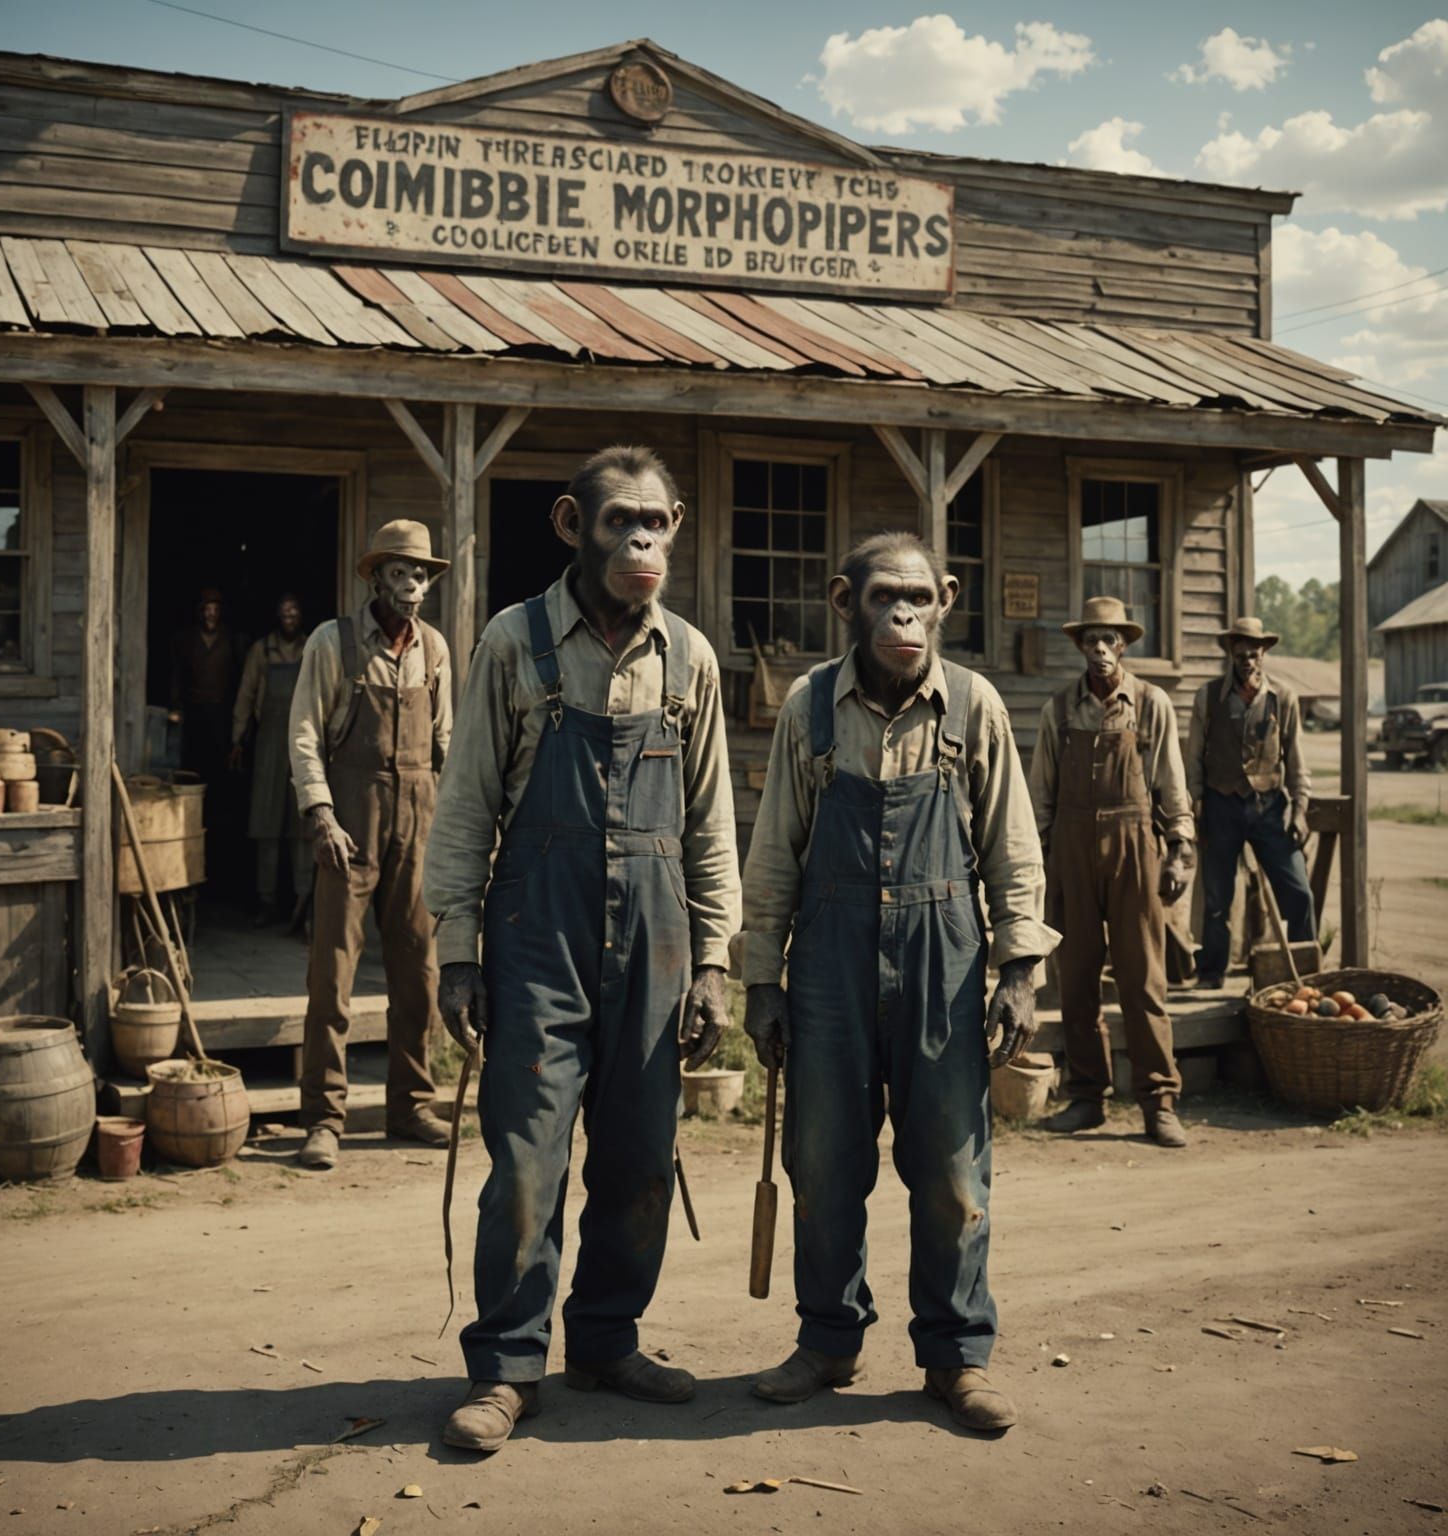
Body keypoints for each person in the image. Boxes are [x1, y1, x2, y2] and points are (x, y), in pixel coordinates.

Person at [424, 446, 740, 1455]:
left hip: (657, 937)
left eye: (657, 522)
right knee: (527, 1159)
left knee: (641, 1158)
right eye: (619, 522)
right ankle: (507, 1366)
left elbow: (710, 825)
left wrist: (715, 959)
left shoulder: (690, 659)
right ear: (572, 525)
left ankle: (605, 1342)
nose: (641, 540)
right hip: (537, 934)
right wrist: (457, 952)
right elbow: (465, 806)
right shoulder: (514, 643)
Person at [738, 532, 1057, 1432]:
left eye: (920, 597)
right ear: (846, 603)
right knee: (822, 1164)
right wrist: (762, 981)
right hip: (828, 965)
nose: (904, 615)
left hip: (943, 960)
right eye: (885, 597)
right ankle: (829, 1341)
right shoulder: (811, 706)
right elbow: (775, 853)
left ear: (947, 599)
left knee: (953, 1172)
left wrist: (1019, 970)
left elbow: (1013, 847)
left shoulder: (974, 704)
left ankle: (956, 1356)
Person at [288, 522, 452, 1169]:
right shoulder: (334, 642)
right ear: (377, 577)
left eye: (421, 575)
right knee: (332, 976)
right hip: (350, 820)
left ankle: (410, 1106)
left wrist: (462, 830)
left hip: (420, 817)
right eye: (401, 572)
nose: (412, 585)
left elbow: (446, 744)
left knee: (419, 972)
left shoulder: (434, 650)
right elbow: (305, 733)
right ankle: (323, 1118)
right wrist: (321, 813)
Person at [1029, 596, 1198, 1148]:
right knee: (1076, 978)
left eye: (1109, 639)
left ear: (1123, 645)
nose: (1100, 648)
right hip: (1071, 852)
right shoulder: (1059, 709)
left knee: (1143, 978)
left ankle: (1159, 1102)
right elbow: (1040, 796)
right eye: (1091, 640)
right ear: (1080, 646)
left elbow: (1172, 783)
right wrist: (1038, 862)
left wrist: (1179, 848)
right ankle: (1087, 1097)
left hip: (1134, 847)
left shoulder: (1151, 704)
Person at [1187, 616, 1314, 990]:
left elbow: (1296, 760)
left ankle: (1305, 971)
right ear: (1231, 653)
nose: (1247, 661)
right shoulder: (1208, 696)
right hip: (1220, 806)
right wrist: (1196, 803)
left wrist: (1300, 810)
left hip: (1269, 808)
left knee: (1298, 892)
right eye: (1241, 654)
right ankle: (1212, 972)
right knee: (1217, 899)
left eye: (1254, 654)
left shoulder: (1283, 698)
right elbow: (1193, 757)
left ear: (1263, 654)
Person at [230, 593, 311, 928]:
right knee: (266, 822)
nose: (289, 616)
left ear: (300, 615)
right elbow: (246, 694)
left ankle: (303, 906)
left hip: (304, 740)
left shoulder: (312, 648)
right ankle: (267, 901)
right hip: (269, 743)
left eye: (294, 611)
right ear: (278, 615)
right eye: (284, 612)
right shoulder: (261, 651)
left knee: (303, 824)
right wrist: (237, 738)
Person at [170, 587, 243, 856]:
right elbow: (177, 675)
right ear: (200, 612)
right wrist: (176, 706)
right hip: (195, 714)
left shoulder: (231, 640)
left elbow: (239, 679)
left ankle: (218, 833)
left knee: (219, 775)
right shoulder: (187, 639)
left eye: (215, 610)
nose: (211, 615)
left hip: (221, 715)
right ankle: (190, 826)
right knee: (193, 769)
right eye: (207, 610)